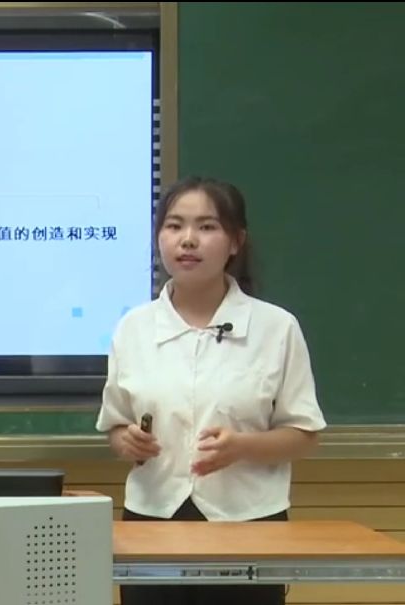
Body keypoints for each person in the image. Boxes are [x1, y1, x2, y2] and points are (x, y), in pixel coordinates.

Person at [96, 176, 327, 605]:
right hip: (152, 521)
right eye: (174, 226)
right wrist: (127, 441)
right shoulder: (133, 328)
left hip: (248, 524)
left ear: (236, 241)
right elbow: (115, 427)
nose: (188, 240)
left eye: (206, 226)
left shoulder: (276, 328)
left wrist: (241, 447)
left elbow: (304, 434)